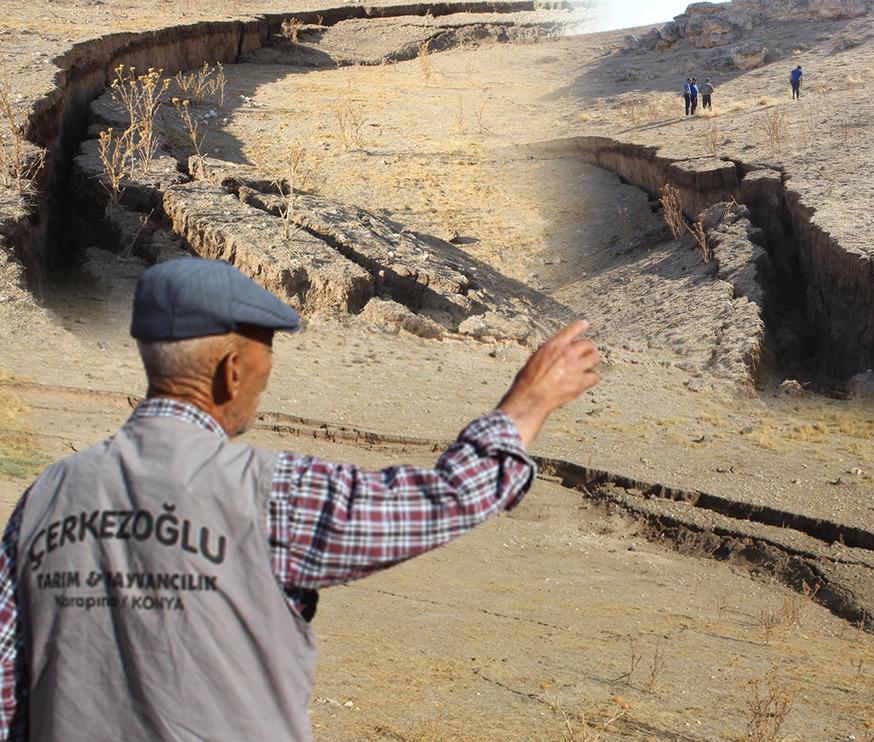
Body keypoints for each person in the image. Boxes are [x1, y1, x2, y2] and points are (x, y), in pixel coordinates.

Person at [0, 258, 601, 740]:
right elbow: (444, 499)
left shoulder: (43, 498)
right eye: (266, 357)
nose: (264, 380)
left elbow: (7, 692)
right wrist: (528, 402)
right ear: (231, 371)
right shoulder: (268, 493)